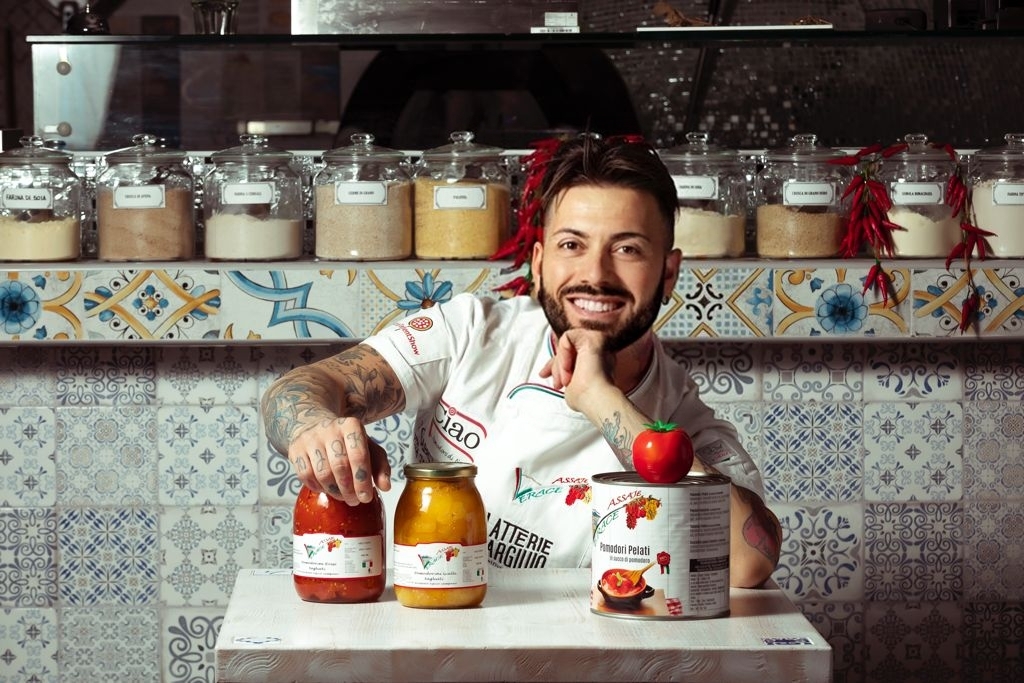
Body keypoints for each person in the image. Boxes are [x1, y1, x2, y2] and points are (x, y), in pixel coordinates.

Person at [262, 133, 781, 588]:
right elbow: (301, 388)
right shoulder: (470, 331)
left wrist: (601, 399)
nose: (595, 274)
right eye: (572, 244)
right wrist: (313, 428)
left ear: (668, 274)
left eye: (627, 249)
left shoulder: (681, 420)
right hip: (427, 618)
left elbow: (749, 563)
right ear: (538, 264)